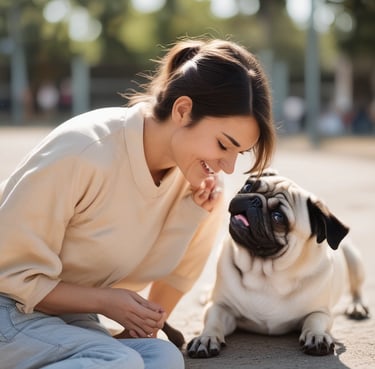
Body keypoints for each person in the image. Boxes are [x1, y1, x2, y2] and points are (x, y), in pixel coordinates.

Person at [0, 37, 275, 369]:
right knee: (118, 361)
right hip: (8, 305)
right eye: (223, 145)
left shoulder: (199, 190)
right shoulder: (86, 149)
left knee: (162, 357)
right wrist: (104, 301)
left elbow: (172, 282)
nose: (228, 166)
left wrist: (139, 326)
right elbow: (8, 273)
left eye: (238, 153)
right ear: (183, 110)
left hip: (63, 317)